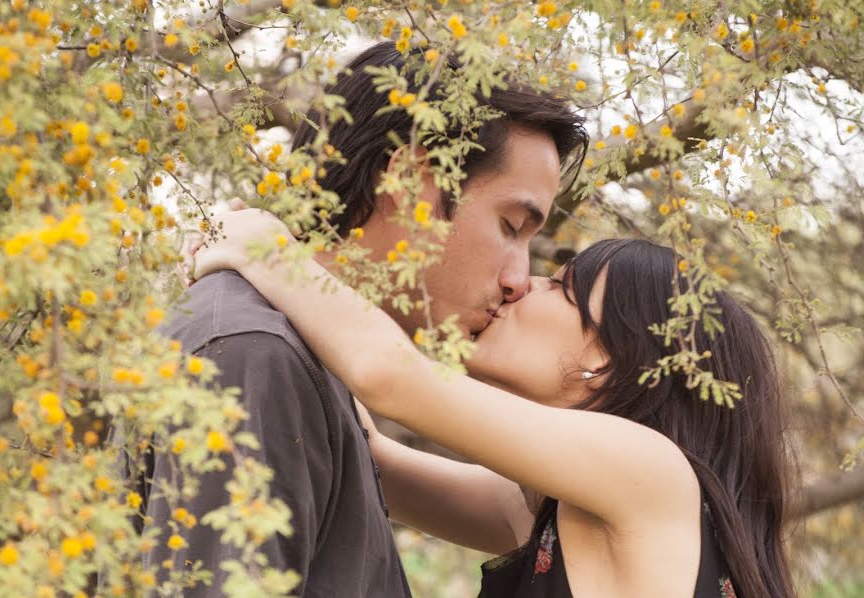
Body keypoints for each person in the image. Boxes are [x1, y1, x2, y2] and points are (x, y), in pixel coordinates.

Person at [131, 40, 588, 597]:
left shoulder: (299, 362)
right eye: (511, 226)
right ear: (408, 184)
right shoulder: (254, 354)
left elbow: (389, 379)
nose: (519, 279)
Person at [190, 208, 796, 598]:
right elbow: (367, 457)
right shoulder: (562, 511)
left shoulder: (652, 472)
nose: (520, 284)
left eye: (561, 289)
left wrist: (267, 250)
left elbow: (388, 377)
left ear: (607, 359)